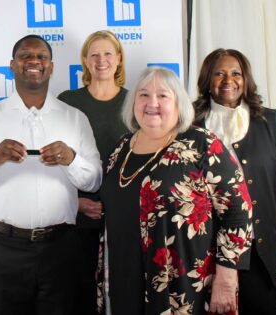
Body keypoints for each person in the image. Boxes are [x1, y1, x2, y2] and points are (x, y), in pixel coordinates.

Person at [0, 34, 102, 315]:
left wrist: (71, 160)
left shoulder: (75, 118)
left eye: (41, 57)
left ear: (51, 67)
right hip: (2, 250)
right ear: (12, 65)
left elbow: (94, 179)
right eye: (25, 56)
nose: (33, 61)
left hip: (60, 248)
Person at [102, 66, 253, 314]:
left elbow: (238, 210)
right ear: (133, 103)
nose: (152, 103)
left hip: (182, 285)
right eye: (143, 95)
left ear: (178, 104)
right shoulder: (121, 148)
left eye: (163, 96)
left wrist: (227, 277)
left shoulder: (201, 143)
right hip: (124, 278)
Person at [193, 48, 276, 314]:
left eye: (235, 73)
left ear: (246, 79)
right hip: (206, 254)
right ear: (207, 79)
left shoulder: (272, 122)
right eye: (219, 73)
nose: (228, 80)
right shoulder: (189, 125)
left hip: (262, 252)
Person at [58, 30, 128, 314]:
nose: (102, 60)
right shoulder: (68, 102)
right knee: (80, 298)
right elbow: (55, 159)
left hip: (121, 222)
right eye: (94, 55)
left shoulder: (136, 103)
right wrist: (77, 203)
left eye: (108, 54)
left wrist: (116, 206)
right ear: (85, 61)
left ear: (119, 59)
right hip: (78, 221)